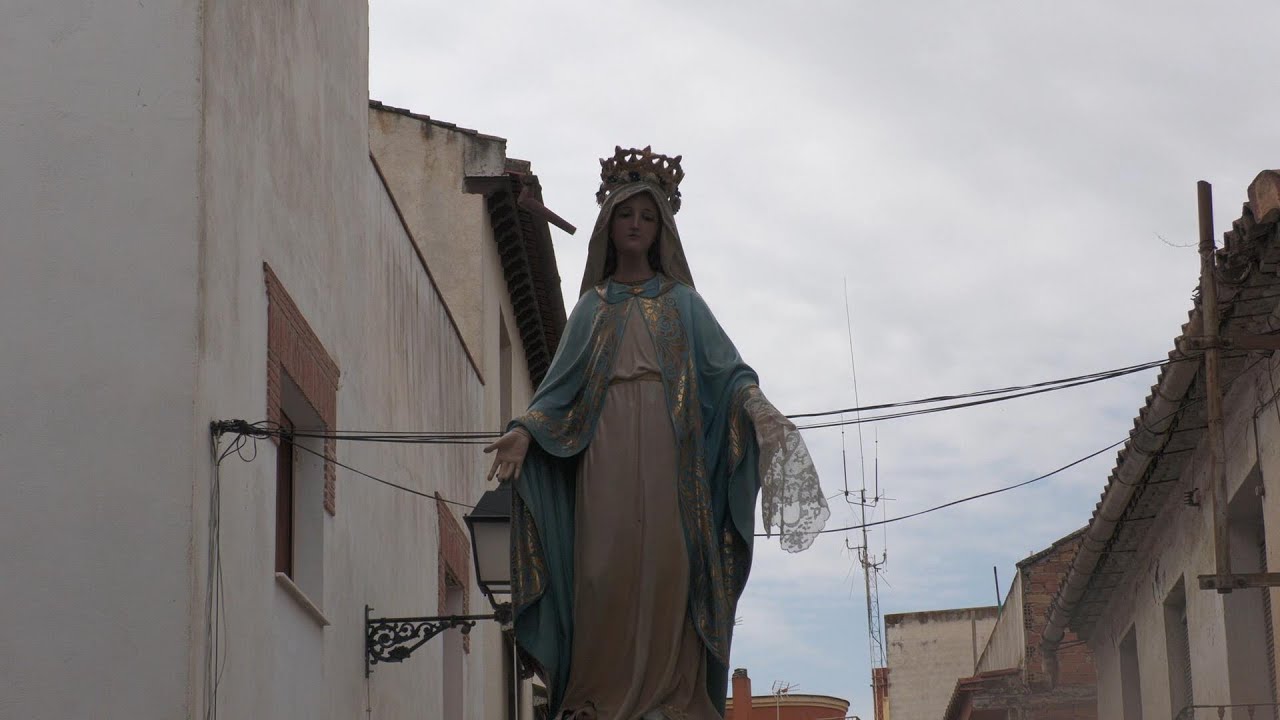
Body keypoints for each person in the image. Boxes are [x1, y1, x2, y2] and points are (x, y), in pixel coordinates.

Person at [484, 147, 828, 720]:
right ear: (609, 224)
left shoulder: (684, 304)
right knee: (602, 569)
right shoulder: (592, 308)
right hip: (605, 448)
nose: (636, 224)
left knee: (670, 565)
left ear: (661, 227)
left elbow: (728, 372)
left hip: (671, 452)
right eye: (626, 214)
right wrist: (524, 430)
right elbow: (556, 392)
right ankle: (596, 694)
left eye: (647, 215)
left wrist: (758, 409)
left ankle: (672, 694)